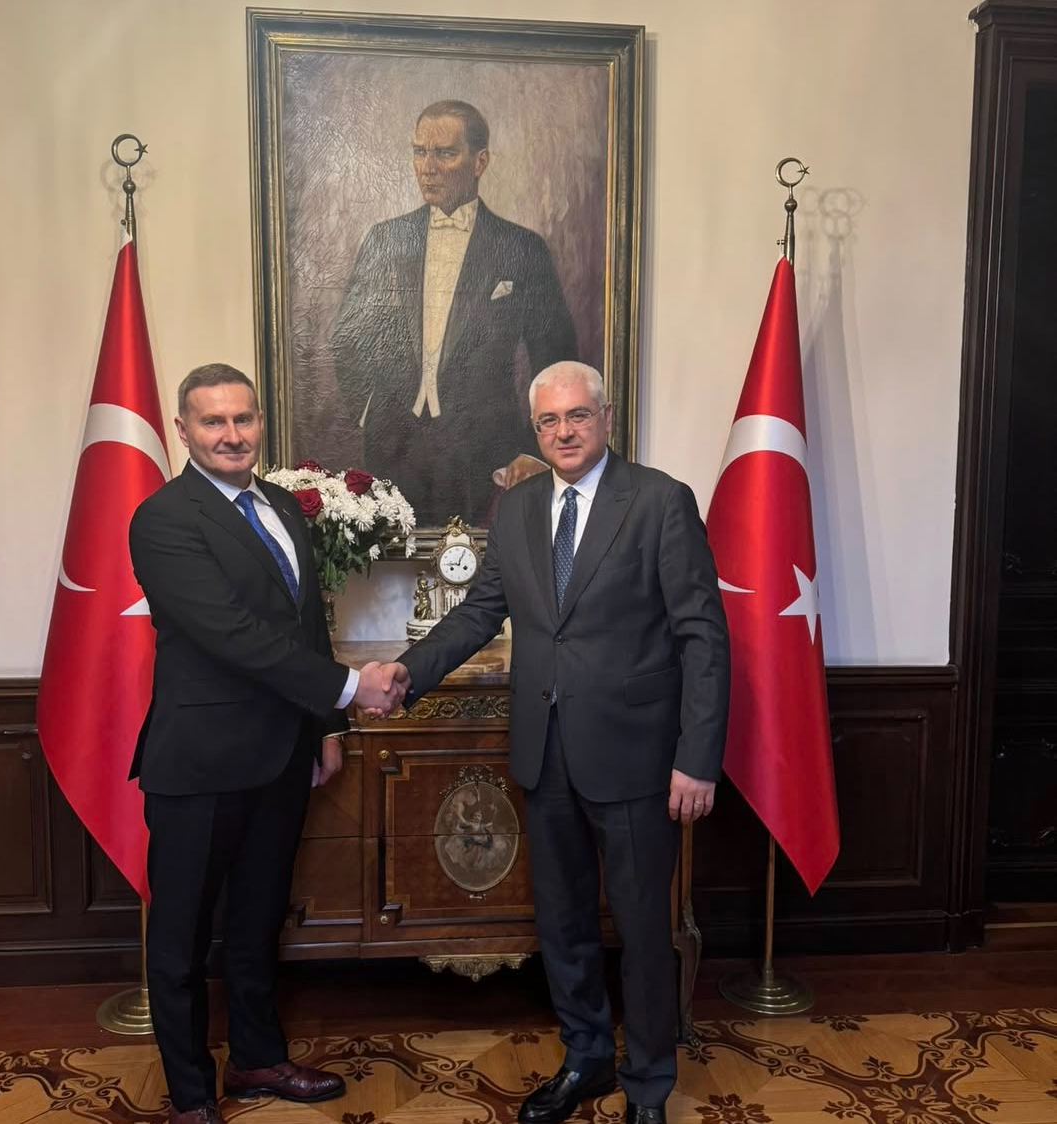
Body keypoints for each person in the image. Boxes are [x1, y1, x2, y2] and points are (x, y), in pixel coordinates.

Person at [389, 361, 730, 1124]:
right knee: (564, 925)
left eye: (577, 415)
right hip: (544, 755)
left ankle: (648, 1086)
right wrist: (406, 674)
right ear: (534, 429)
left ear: (605, 417)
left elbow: (703, 637)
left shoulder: (660, 501)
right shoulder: (517, 507)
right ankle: (585, 1059)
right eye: (548, 420)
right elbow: (478, 612)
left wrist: (696, 756)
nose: (564, 431)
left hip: (638, 759)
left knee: (641, 932)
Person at [128, 363, 407, 1124]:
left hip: (282, 754)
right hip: (199, 763)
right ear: (183, 430)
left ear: (260, 423)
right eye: (212, 421)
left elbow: (306, 626)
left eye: (242, 419)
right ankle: (191, 1094)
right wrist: (349, 688)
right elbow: (231, 635)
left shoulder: (282, 505)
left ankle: (255, 1057)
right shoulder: (163, 519)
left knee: (257, 922)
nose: (231, 434)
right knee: (182, 938)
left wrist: (325, 727)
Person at [331, 99, 578, 526]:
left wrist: (530, 450)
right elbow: (347, 338)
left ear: (480, 161)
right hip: (393, 449)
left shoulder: (523, 248)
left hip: (488, 456)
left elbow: (555, 358)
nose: (427, 168)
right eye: (419, 152)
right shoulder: (384, 240)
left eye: (445, 153)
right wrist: (372, 412)